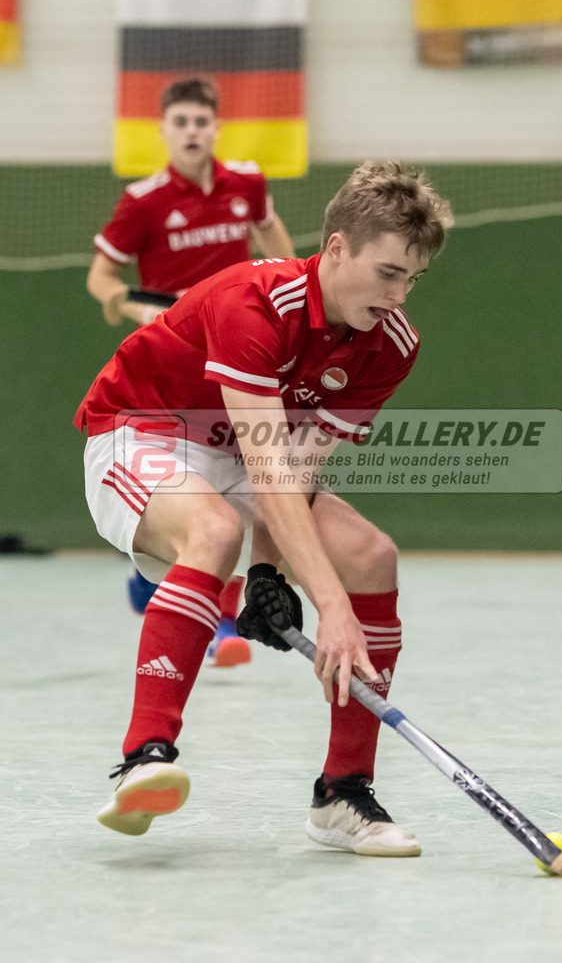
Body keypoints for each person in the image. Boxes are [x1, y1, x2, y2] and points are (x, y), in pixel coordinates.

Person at [75, 160, 454, 857]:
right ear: (336, 247)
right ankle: (145, 757)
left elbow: (298, 470)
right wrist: (328, 608)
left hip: (243, 458)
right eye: (387, 273)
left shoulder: (389, 345)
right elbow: (266, 472)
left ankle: (342, 795)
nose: (399, 296)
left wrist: (270, 574)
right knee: (214, 528)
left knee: (372, 555)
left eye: (411, 279)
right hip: (141, 431)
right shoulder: (254, 302)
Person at [86, 77, 295, 666]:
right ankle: (160, 579)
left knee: (238, 481)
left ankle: (223, 625)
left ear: (216, 128)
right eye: (180, 122)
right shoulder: (144, 200)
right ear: (164, 131)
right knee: (189, 491)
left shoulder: (247, 184)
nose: (191, 132)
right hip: (167, 368)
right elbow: (100, 279)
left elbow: (280, 250)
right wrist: (133, 304)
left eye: (201, 121)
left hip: (236, 353)